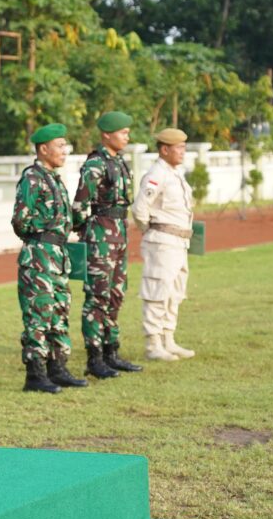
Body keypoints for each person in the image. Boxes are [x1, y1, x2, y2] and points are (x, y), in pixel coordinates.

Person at [11, 123, 87, 393]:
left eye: (65, 146)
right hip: (39, 257)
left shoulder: (54, 178)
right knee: (39, 315)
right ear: (43, 149)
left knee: (59, 314)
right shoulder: (32, 178)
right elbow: (20, 221)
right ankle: (36, 374)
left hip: (58, 256)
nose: (64, 151)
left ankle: (58, 368)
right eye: (59, 146)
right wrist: (49, 224)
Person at [72, 111, 142, 379]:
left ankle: (111, 352)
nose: (127, 136)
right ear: (106, 135)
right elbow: (79, 205)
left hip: (119, 232)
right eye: (122, 132)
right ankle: (94, 357)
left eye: (127, 132)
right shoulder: (96, 165)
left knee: (116, 293)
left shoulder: (120, 162)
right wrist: (85, 231)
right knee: (97, 296)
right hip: (100, 233)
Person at [130, 128, 197, 362]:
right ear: (165, 149)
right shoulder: (156, 174)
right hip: (163, 240)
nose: (182, 152)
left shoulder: (174, 173)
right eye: (178, 148)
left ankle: (168, 338)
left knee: (174, 291)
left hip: (179, 241)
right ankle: (153, 344)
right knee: (157, 291)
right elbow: (140, 209)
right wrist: (151, 230)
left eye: (183, 147)